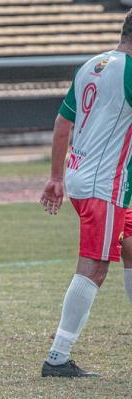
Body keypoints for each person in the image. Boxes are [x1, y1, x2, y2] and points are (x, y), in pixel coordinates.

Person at [39, 10, 132, 378]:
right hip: (103, 185)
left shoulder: (92, 65)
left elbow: (63, 122)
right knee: (94, 266)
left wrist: (55, 178)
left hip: (85, 178)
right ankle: (57, 358)